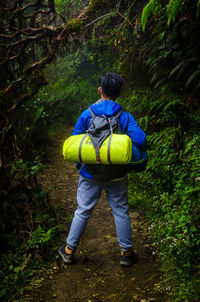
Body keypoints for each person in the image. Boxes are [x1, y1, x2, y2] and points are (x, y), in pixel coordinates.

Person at [58, 72, 146, 266]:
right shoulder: (125, 116)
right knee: (121, 211)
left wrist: (80, 166)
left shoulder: (86, 114)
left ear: (100, 90)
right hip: (117, 175)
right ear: (120, 93)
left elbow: (75, 145)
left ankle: (68, 250)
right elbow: (141, 139)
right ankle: (126, 254)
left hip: (89, 174)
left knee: (82, 211)